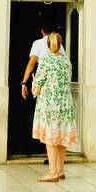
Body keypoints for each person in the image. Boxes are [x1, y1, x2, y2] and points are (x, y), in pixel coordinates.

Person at [31, 31, 77, 183]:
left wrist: (34, 85)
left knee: (50, 138)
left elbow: (38, 84)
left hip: (50, 104)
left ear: (48, 45)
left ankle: (52, 173)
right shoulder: (66, 61)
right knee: (62, 137)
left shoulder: (45, 60)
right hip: (66, 103)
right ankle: (60, 170)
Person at [21, 26, 67, 158]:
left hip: (47, 96)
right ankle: (58, 168)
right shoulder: (65, 59)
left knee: (48, 129)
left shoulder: (43, 56)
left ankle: (52, 168)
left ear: (42, 30)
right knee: (60, 129)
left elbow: (32, 64)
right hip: (63, 97)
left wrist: (25, 82)